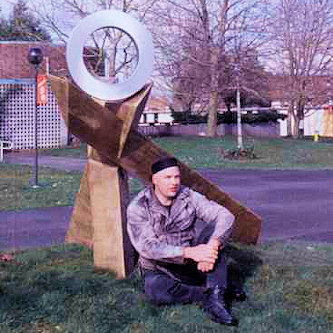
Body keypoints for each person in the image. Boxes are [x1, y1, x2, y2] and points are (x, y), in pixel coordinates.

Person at [127, 157, 241, 326]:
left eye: (177, 177)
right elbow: (148, 248)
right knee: (155, 291)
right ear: (155, 180)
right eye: (168, 178)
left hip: (189, 263)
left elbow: (225, 215)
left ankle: (216, 301)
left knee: (215, 233)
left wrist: (212, 246)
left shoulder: (188, 196)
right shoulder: (138, 207)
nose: (174, 182)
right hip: (159, 268)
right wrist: (191, 252)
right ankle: (212, 292)